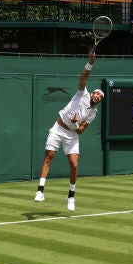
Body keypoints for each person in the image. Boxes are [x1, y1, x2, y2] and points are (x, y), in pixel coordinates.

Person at [34, 49, 103, 211]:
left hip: (72, 135)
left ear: (100, 101)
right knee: (48, 157)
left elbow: (80, 131)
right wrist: (91, 62)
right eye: (96, 94)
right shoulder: (83, 93)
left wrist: (75, 124)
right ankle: (40, 191)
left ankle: (71, 196)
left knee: (74, 164)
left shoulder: (93, 113)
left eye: (100, 97)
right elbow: (84, 77)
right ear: (92, 93)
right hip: (58, 129)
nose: (97, 97)